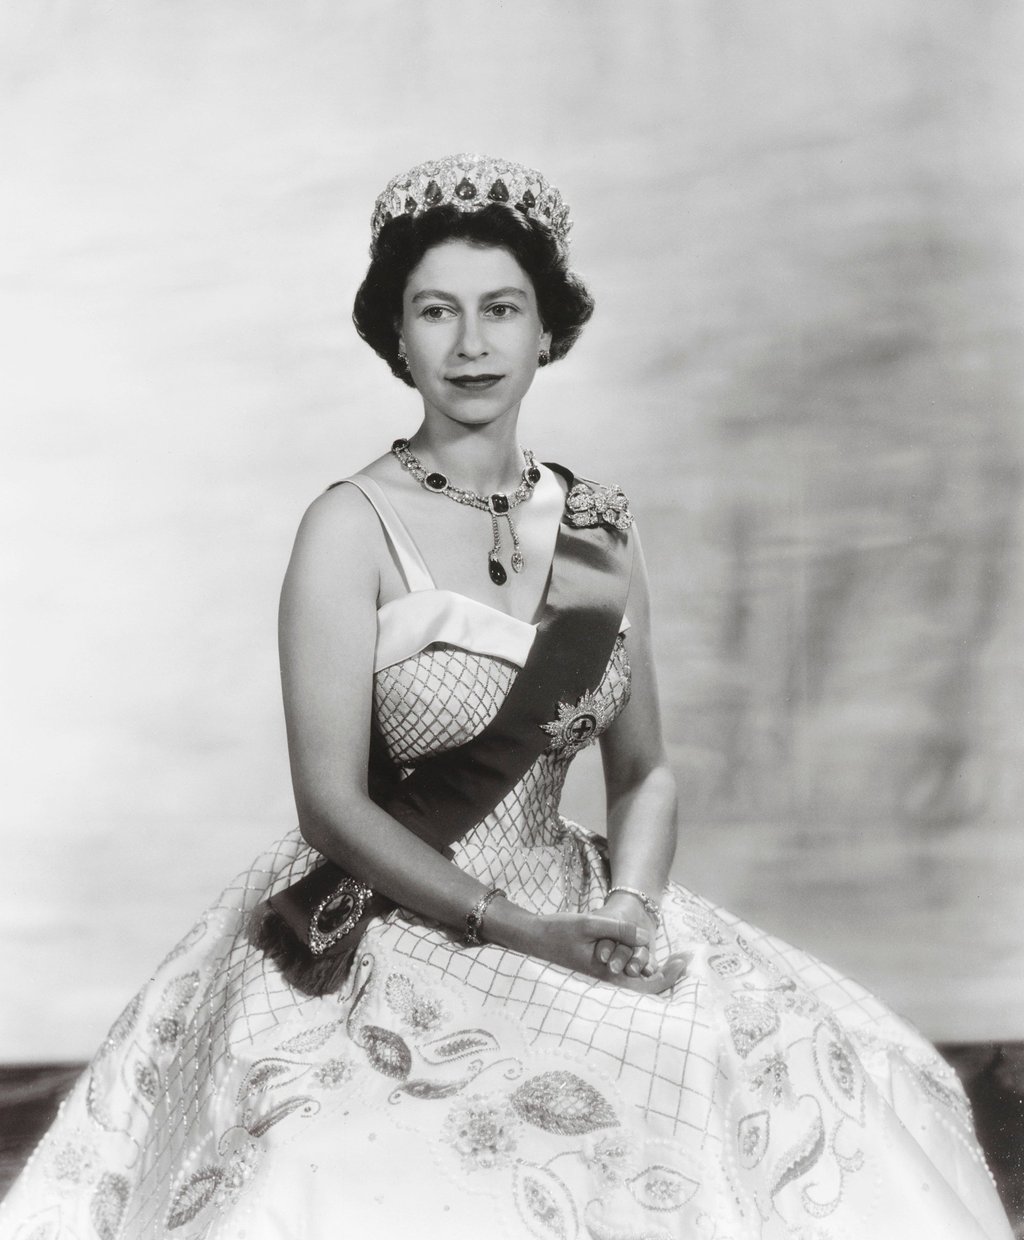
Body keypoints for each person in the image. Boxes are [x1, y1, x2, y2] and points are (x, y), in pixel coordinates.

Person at [0, 154, 1013, 1240]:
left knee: (777, 1084)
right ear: (397, 334)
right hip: (390, 913)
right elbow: (330, 807)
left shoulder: (599, 528)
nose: (471, 343)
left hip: (577, 898)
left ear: (546, 330)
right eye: (437, 311)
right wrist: (522, 931)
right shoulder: (347, 527)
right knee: (340, 1155)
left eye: (501, 309)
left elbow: (645, 771)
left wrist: (628, 908)